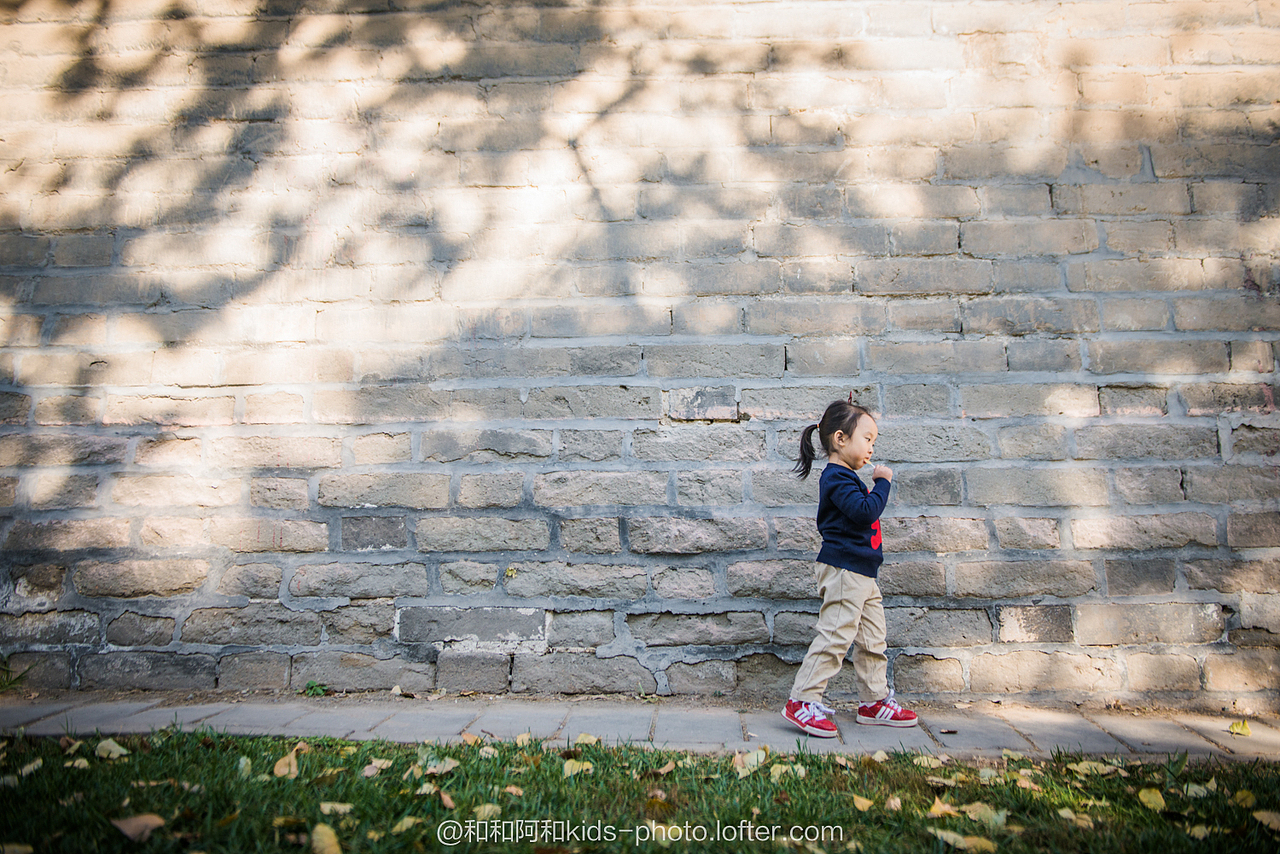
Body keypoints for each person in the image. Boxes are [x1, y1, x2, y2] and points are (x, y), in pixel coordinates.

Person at [781, 397, 918, 737]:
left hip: (863, 572)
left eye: (874, 441)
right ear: (840, 439)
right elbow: (865, 512)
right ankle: (802, 700)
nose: (872, 447)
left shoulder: (847, 477)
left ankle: (874, 701)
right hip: (844, 571)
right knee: (836, 635)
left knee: (873, 639)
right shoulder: (837, 479)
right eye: (867, 439)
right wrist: (882, 483)